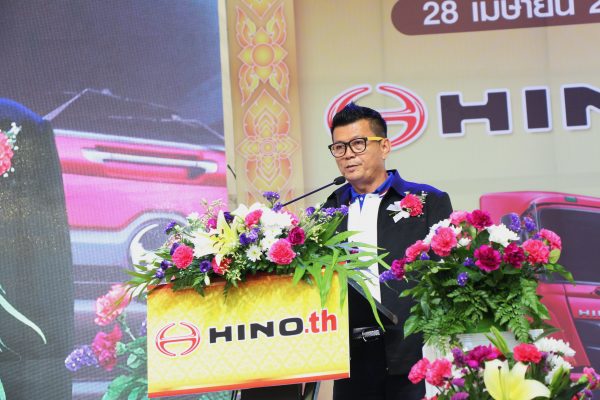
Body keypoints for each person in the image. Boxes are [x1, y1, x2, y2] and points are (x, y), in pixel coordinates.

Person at [322, 103, 452, 400]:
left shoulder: (428, 201)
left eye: (358, 143)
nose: (348, 154)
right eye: (339, 147)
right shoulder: (328, 211)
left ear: (385, 147)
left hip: (413, 354)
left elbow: (446, 274)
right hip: (352, 361)